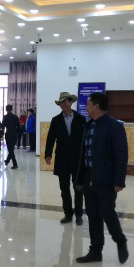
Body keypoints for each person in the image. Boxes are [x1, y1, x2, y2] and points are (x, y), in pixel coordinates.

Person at [74, 92, 129, 264]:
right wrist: (79, 179)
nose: (86, 106)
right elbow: (83, 154)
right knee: (93, 215)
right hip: (88, 176)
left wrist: (119, 180)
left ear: (96, 106)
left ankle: (120, 240)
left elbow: (121, 155)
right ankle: (95, 251)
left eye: (88, 103)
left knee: (107, 212)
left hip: (105, 178)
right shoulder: (88, 125)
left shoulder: (114, 126)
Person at [45, 92, 86, 225]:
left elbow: (85, 139)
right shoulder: (56, 120)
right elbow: (50, 138)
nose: (63, 104)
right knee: (64, 189)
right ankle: (68, 213)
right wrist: (48, 154)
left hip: (77, 159)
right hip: (62, 159)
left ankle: (79, 214)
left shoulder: (81, 119)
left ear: (71, 102)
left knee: (78, 188)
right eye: (61, 103)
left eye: (65, 102)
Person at [2, 104, 20, 169]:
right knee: (11, 149)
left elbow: (3, 126)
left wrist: (2, 133)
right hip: (14, 135)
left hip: (8, 134)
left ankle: (15, 164)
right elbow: (18, 126)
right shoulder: (15, 117)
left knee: (10, 150)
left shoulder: (5, 117)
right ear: (12, 109)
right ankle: (7, 161)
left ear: (6, 109)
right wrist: (16, 133)